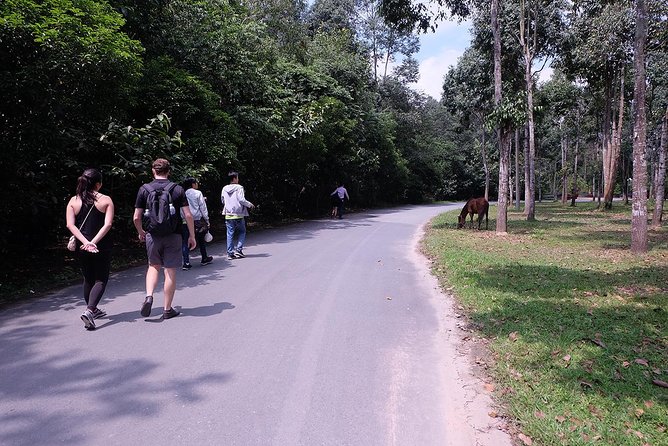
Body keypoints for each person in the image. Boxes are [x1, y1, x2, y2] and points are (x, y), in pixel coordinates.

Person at [133, 159, 196, 320]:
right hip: (173, 235)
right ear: (169, 171)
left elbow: (136, 217)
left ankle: (149, 296)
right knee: (170, 271)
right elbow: (188, 215)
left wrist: (141, 232)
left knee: (153, 266)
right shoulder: (177, 189)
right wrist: (192, 236)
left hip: (152, 235)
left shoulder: (144, 189)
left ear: (153, 171)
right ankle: (167, 310)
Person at [65, 168, 114, 331]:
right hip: (101, 246)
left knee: (88, 279)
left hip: (82, 246)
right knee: (101, 279)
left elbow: (70, 225)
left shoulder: (73, 201)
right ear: (98, 184)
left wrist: (85, 242)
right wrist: (93, 242)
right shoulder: (106, 200)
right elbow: (107, 224)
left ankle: (93, 309)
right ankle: (90, 310)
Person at [180, 178, 213, 270]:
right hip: (197, 220)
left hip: (185, 221)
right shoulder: (198, 193)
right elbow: (203, 207)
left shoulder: (182, 194)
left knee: (185, 241)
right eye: (196, 183)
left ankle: (186, 263)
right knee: (201, 240)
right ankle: (204, 258)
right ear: (193, 184)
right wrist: (207, 219)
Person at [221, 171, 255, 260]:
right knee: (242, 232)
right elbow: (241, 199)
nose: (238, 179)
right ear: (235, 178)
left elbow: (223, 200)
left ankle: (230, 253)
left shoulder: (224, 188)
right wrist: (250, 204)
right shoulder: (239, 187)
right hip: (238, 214)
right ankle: (239, 250)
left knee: (229, 234)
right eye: (237, 177)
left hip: (228, 214)